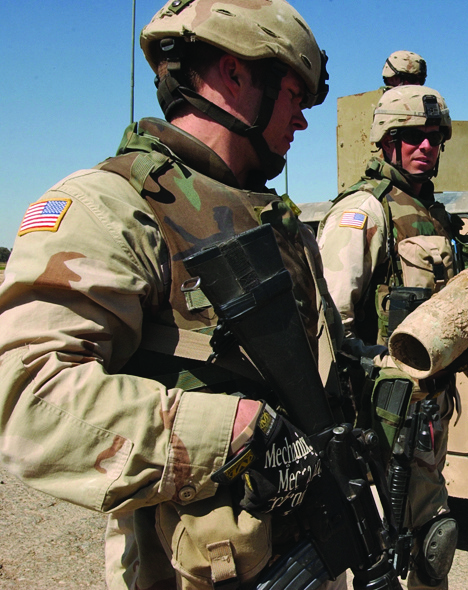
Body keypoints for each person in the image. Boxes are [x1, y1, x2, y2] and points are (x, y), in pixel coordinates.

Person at [0, 1, 351, 589]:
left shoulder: (275, 220)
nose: (303, 119)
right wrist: (238, 433)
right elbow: (29, 400)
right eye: (294, 93)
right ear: (236, 73)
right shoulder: (109, 206)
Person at [317, 85, 468, 589]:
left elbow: (455, 311)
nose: (426, 147)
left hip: (430, 406)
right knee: (404, 542)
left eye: (435, 138)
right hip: (383, 409)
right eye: (412, 137)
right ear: (385, 141)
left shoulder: (434, 216)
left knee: (424, 538)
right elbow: (333, 321)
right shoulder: (363, 212)